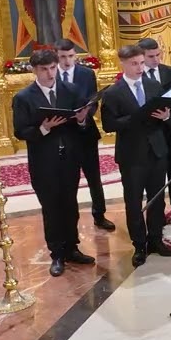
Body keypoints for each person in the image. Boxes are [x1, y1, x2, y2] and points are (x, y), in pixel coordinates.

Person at [12, 49, 96, 276]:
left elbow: (82, 123)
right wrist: (44, 128)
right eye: (44, 69)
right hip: (43, 161)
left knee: (70, 205)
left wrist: (82, 120)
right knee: (51, 208)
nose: (50, 74)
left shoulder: (71, 90)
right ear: (34, 70)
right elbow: (20, 131)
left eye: (52, 68)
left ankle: (72, 248)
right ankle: (57, 254)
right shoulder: (23, 97)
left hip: (69, 158)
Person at [100, 44, 171, 267]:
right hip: (132, 155)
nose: (140, 68)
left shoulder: (153, 85)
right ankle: (139, 245)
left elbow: (165, 112)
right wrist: (136, 117)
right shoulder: (113, 93)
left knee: (157, 199)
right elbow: (109, 124)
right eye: (134, 64)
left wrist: (166, 116)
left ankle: (156, 239)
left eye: (142, 63)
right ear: (123, 64)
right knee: (133, 202)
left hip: (156, 151)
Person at [52, 39, 114, 232]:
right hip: (62, 133)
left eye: (70, 56)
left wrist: (85, 115)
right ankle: (69, 219)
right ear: (56, 57)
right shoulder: (51, 74)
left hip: (86, 132)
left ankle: (99, 215)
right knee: (67, 179)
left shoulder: (86, 74)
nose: (67, 61)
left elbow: (93, 100)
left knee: (94, 177)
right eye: (62, 57)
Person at [139, 37, 171, 219]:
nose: (156, 59)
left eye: (158, 55)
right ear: (142, 56)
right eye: (151, 56)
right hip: (151, 130)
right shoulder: (138, 75)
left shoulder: (169, 71)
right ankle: (157, 212)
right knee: (155, 175)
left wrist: (169, 112)